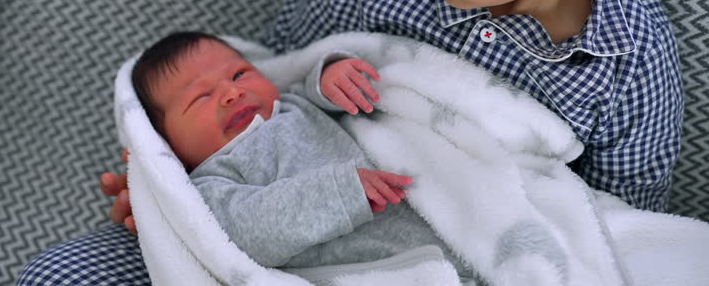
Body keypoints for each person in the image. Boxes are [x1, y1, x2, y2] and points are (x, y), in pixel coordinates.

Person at [18, 0, 683, 284]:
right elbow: (274, 78)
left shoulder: (626, 60)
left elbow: (614, 219)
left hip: (486, 243)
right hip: (290, 227)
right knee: (60, 273)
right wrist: (173, 184)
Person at [128, 30, 473, 275]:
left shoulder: (291, 103)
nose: (232, 92)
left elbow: (322, 91)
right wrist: (336, 193)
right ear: (165, 143)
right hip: (370, 271)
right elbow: (250, 232)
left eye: (240, 74)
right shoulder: (210, 182)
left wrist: (332, 76)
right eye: (200, 97)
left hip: (444, 236)